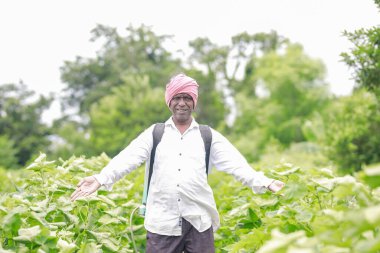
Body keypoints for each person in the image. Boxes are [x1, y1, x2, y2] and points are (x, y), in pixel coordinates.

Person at [71, 73, 285, 253]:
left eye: (187, 98)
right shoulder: (155, 133)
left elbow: (236, 164)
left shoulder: (207, 136)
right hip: (162, 222)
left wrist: (265, 182)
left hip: (199, 222)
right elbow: (127, 158)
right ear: (169, 101)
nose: (182, 103)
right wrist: (100, 179)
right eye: (177, 98)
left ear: (194, 101)